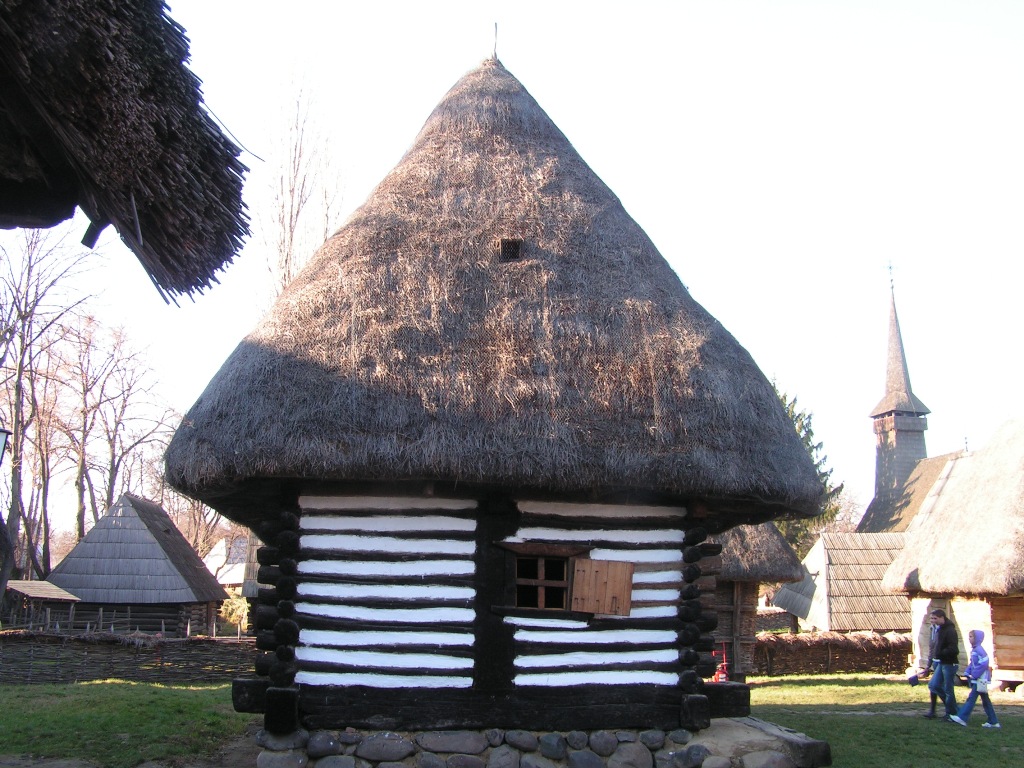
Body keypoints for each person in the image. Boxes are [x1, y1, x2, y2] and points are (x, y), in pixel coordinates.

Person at [949, 630, 1000, 728]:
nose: (969, 639)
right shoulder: (974, 650)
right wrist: (968, 672)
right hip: (978, 679)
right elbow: (972, 663)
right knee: (985, 700)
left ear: (977, 638)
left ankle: (962, 717)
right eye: (969, 636)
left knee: (971, 698)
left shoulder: (979, 650)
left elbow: (984, 663)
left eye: (971, 637)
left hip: (981, 679)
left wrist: (975, 674)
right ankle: (993, 721)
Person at [924, 609, 959, 720]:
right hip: (941, 662)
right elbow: (932, 647)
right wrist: (931, 661)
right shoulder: (938, 629)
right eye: (931, 618)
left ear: (941, 618)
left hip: (949, 663)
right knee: (933, 685)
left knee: (948, 689)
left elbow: (954, 649)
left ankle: (951, 713)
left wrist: (941, 653)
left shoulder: (950, 630)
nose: (933, 621)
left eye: (935, 618)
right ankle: (953, 709)